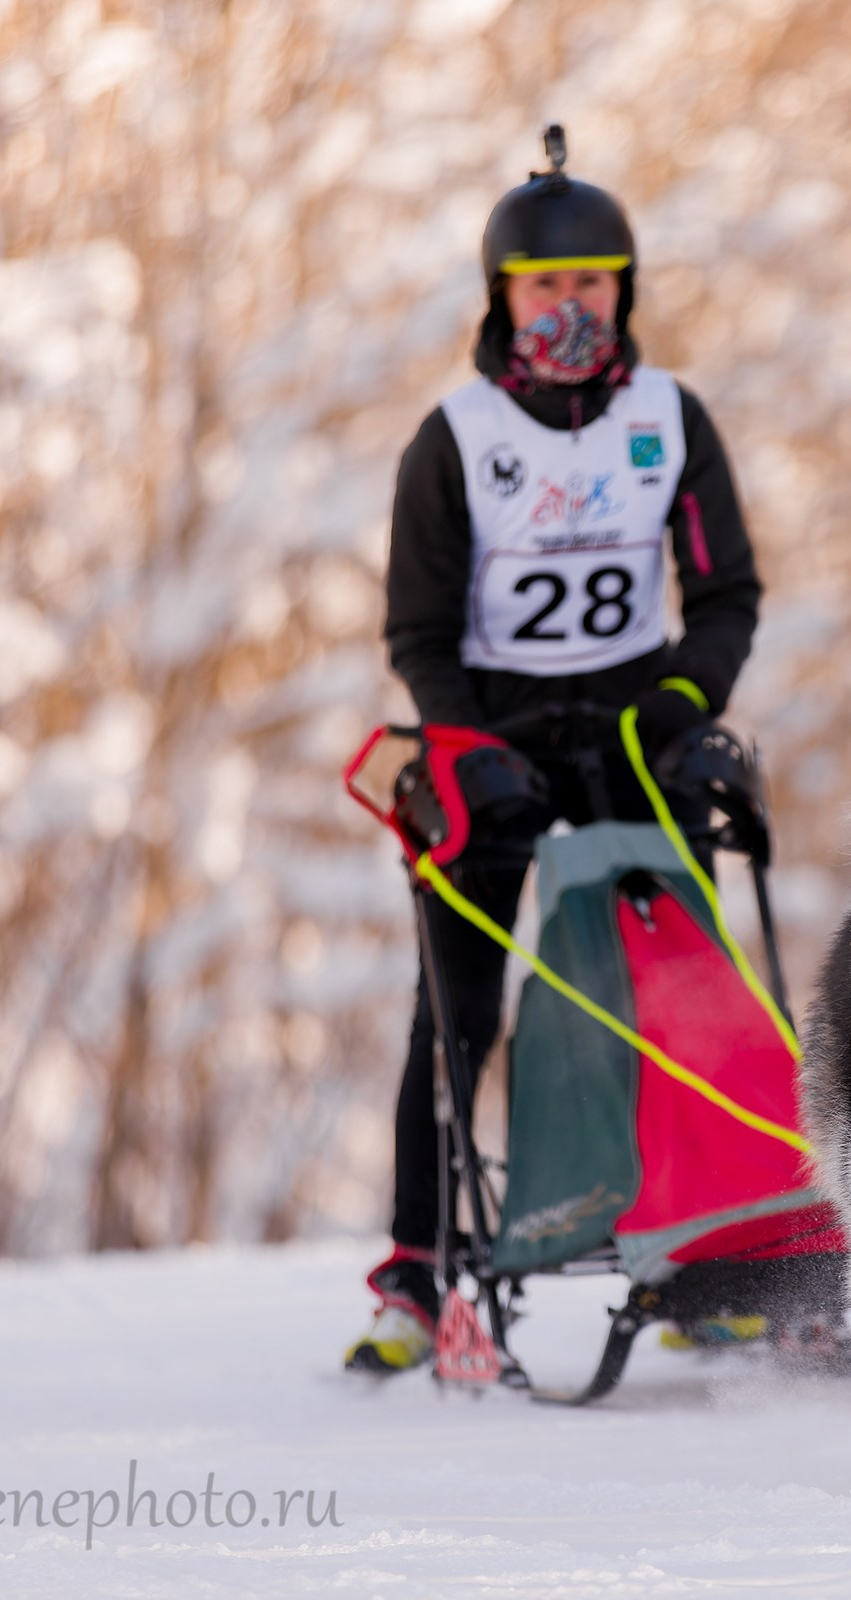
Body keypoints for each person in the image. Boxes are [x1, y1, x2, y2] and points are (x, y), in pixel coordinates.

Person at [347, 127, 763, 1372]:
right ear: (504, 297)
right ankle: (417, 1275)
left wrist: (688, 701)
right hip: (496, 732)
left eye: (592, 283)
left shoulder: (668, 417)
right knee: (457, 1007)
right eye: (546, 285)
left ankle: (706, 1256)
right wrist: (465, 742)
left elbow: (727, 592)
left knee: (683, 995)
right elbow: (415, 625)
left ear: (622, 290)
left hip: (636, 726)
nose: (570, 306)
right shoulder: (458, 437)